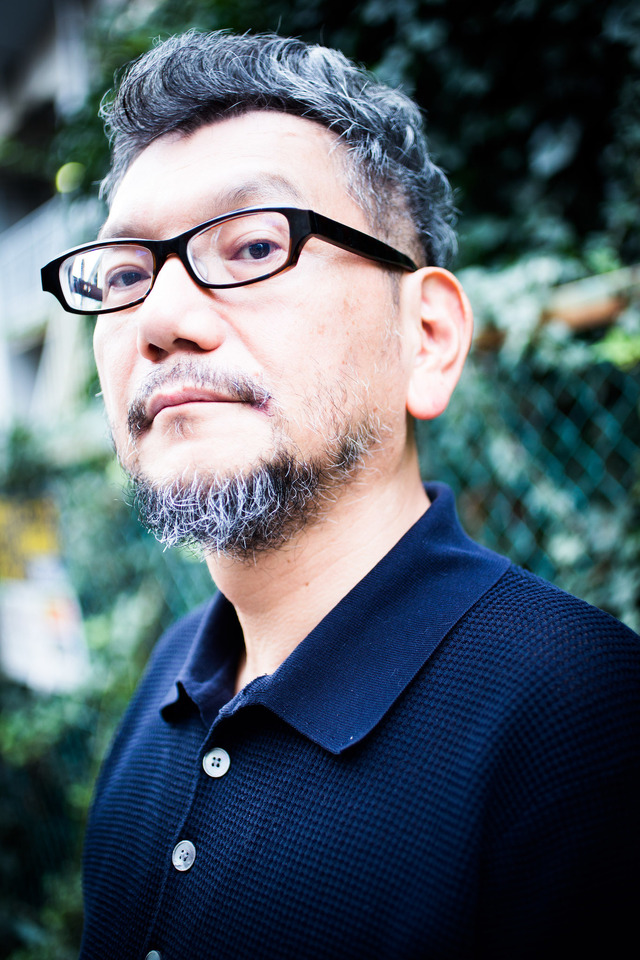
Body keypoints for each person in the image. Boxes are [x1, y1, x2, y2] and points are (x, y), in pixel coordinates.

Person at [41, 30, 639, 960]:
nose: (159, 318)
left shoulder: (585, 716)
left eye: (252, 245)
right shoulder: (167, 678)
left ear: (426, 337)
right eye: (124, 275)